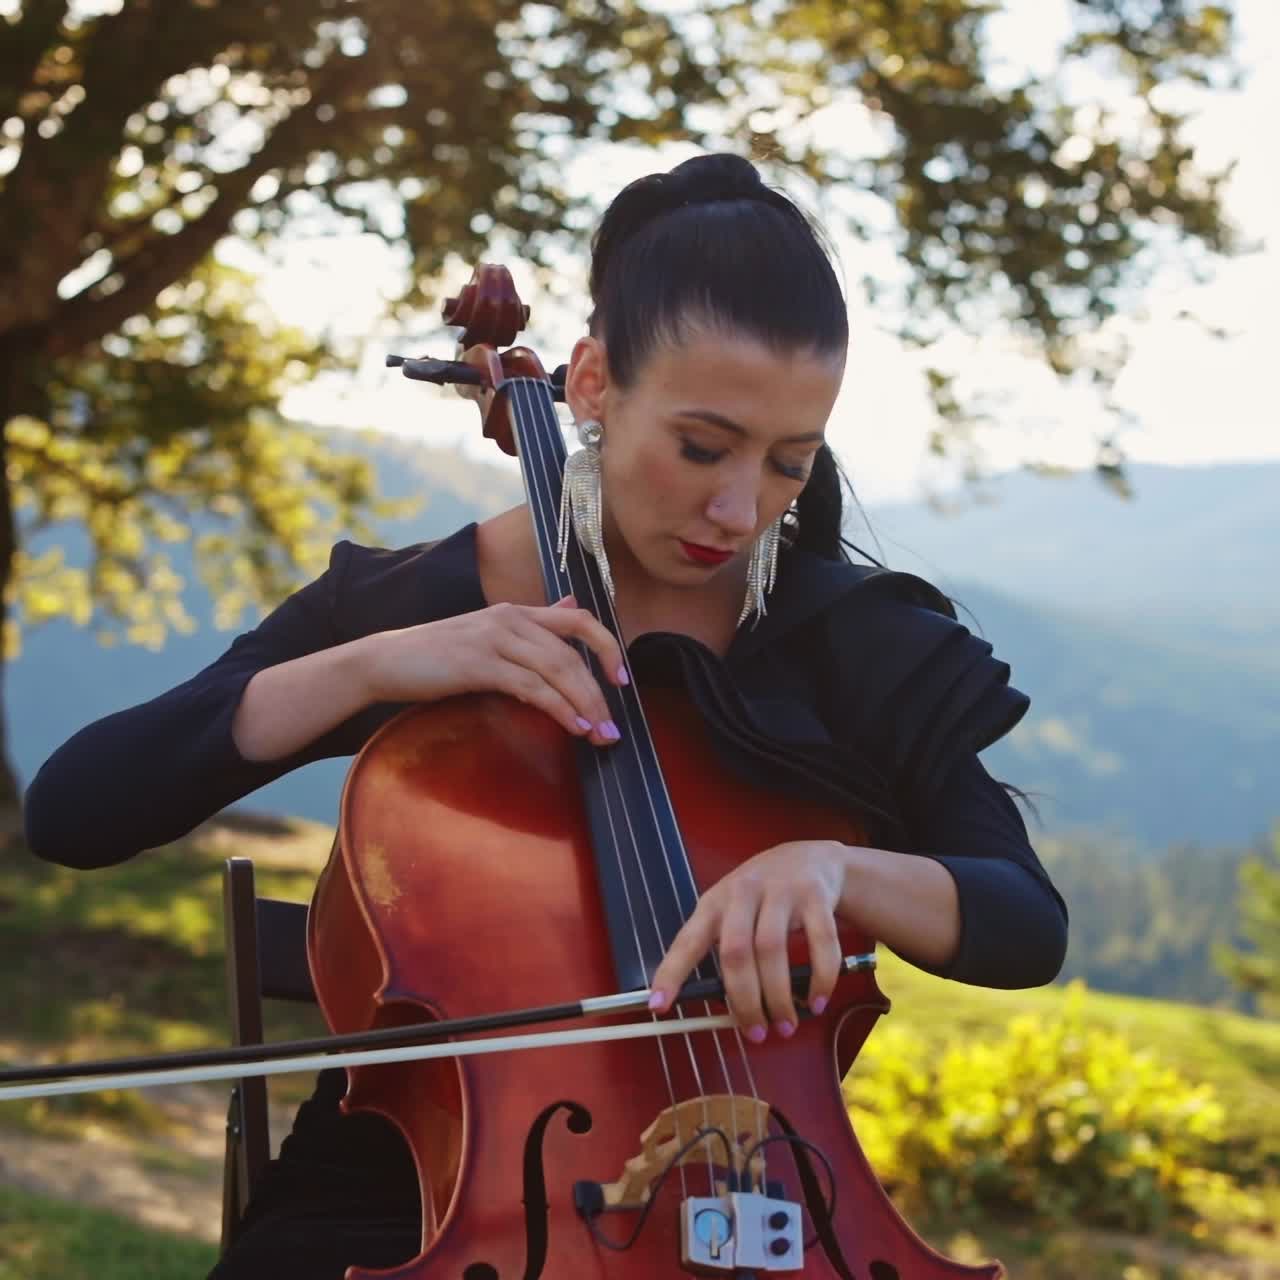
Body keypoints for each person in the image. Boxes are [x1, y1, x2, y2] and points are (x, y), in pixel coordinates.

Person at [22, 152, 1067, 1278]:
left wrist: (835, 870)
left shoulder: (849, 640)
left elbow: (1021, 922)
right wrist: (373, 665)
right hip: (419, 1200)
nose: (737, 507)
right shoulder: (411, 605)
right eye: (702, 446)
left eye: (787, 463)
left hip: (763, 1189)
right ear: (591, 383)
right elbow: (79, 809)